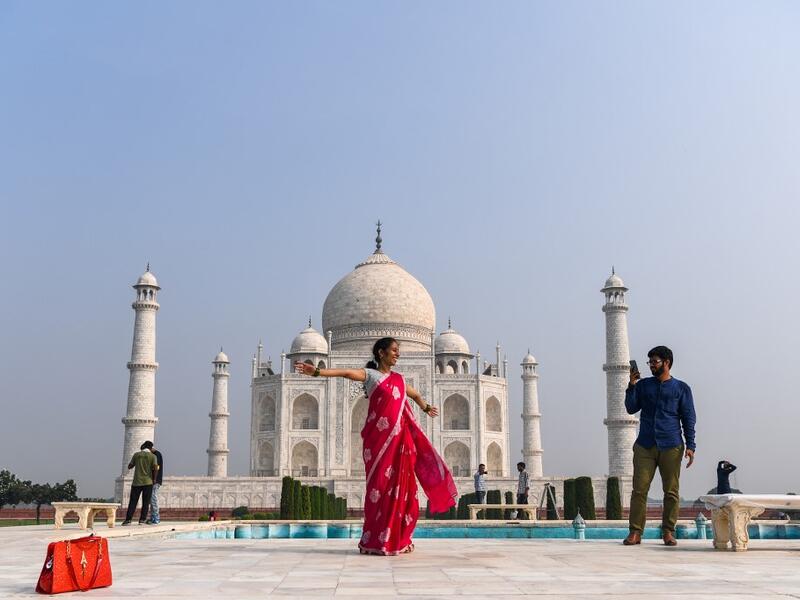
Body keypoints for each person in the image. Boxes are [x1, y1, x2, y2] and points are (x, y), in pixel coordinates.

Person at [295, 337, 457, 555]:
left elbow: (416, 394)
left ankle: (398, 540)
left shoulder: (399, 380)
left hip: (400, 443)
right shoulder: (370, 375)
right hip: (378, 443)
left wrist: (426, 407)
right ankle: (375, 539)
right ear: (381, 353)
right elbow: (344, 373)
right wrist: (315, 372)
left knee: (404, 489)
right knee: (378, 488)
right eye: (394, 350)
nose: (397, 354)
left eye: (398, 350)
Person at [623, 346, 696, 547]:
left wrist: (691, 445)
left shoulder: (681, 388)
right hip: (645, 445)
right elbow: (630, 408)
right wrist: (631, 385)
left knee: (671, 492)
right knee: (639, 490)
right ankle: (635, 532)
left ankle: (668, 532)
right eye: (650, 362)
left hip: (671, 444)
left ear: (667, 362)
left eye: (655, 362)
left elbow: (688, 418)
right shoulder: (644, 385)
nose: (651, 366)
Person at [122, 440, 159, 526]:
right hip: (148, 482)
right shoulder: (153, 456)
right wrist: (154, 479)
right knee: (146, 502)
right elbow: (156, 468)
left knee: (133, 501)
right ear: (150, 448)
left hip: (136, 482)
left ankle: (128, 520)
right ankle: (142, 520)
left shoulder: (137, 455)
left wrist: (136, 463)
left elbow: (130, 466)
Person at [146, 444, 164, 524]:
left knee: (153, 498)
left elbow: (156, 467)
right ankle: (153, 517)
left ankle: (156, 517)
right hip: (153, 480)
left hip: (155, 480)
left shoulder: (157, 455)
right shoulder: (155, 454)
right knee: (151, 499)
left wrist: (154, 479)